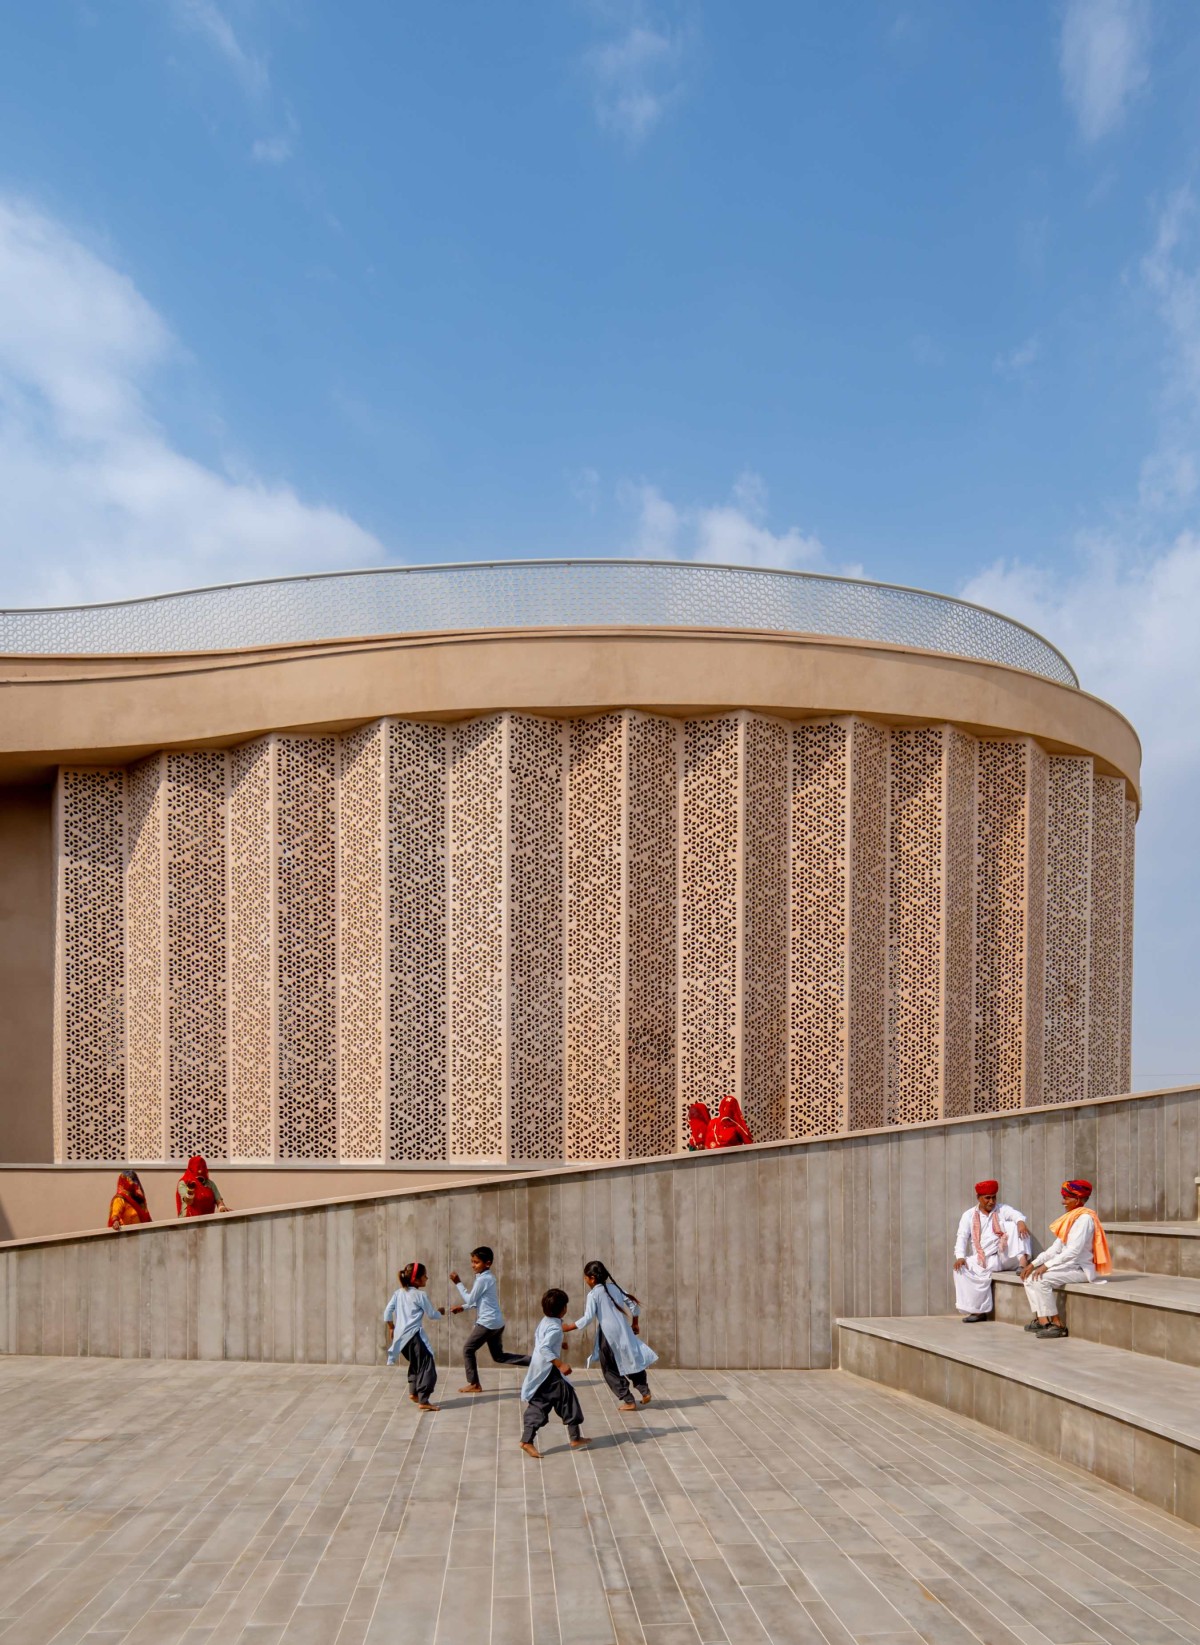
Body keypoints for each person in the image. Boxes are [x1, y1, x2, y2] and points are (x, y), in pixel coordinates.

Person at [1022, 1179, 1113, 1339]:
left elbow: (1073, 1251)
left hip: (1080, 1269)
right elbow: (1056, 1249)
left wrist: (1047, 1266)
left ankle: (1057, 1325)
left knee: (1041, 1279)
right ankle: (1043, 1321)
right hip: (1067, 1267)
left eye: (1066, 1198)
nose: (1063, 1202)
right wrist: (1034, 1264)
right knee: (1029, 1277)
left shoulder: (1084, 1219)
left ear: (1077, 1200)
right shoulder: (1072, 1218)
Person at [564, 1259, 657, 1411]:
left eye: (585, 1277)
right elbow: (633, 1305)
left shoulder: (594, 1294)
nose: (584, 1279)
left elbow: (587, 1318)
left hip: (608, 1336)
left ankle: (628, 1400)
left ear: (592, 1278)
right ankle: (644, 1390)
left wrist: (568, 1327)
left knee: (609, 1369)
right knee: (630, 1359)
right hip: (624, 1332)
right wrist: (635, 1323)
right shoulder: (614, 1288)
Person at [520, 1288, 591, 1460]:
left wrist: (560, 1344)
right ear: (564, 1309)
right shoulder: (555, 1328)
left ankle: (574, 1437)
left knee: (562, 1398)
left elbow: (546, 1338)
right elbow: (544, 1347)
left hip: (543, 1368)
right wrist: (561, 1364)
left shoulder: (547, 1321)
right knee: (545, 1402)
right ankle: (527, 1441)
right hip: (548, 1370)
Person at [449, 1245, 531, 1393]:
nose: (473, 1265)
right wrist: (463, 1307)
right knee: (499, 1357)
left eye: (476, 1262)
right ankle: (535, 1361)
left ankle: (474, 1384)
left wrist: (458, 1283)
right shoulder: (486, 1277)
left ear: (488, 1263)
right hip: (497, 1323)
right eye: (472, 1261)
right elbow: (478, 1301)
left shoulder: (482, 1280)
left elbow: (470, 1297)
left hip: (487, 1323)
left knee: (468, 1349)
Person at [952, 1180, 1031, 1321]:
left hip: (1006, 1257)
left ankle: (1023, 1261)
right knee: (960, 1269)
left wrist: (1020, 1223)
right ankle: (978, 1311)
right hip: (984, 1258)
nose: (991, 1201)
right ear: (978, 1198)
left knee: (1014, 1225)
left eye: (994, 1197)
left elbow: (1016, 1214)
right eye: (987, 1197)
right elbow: (962, 1237)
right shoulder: (969, 1215)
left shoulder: (1002, 1209)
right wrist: (960, 1257)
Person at [383, 1261, 442, 1409]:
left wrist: (391, 1328)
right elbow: (432, 1315)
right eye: (424, 1276)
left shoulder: (398, 1293)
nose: (427, 1278)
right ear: (416, 1280)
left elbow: (387, 1313)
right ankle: (424, 1400)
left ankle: (413, 1393)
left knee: (416, 1363)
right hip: (414, 1336)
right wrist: (441, 1312)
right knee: (427, 1363)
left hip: (400, 1339)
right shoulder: (420, 1295)